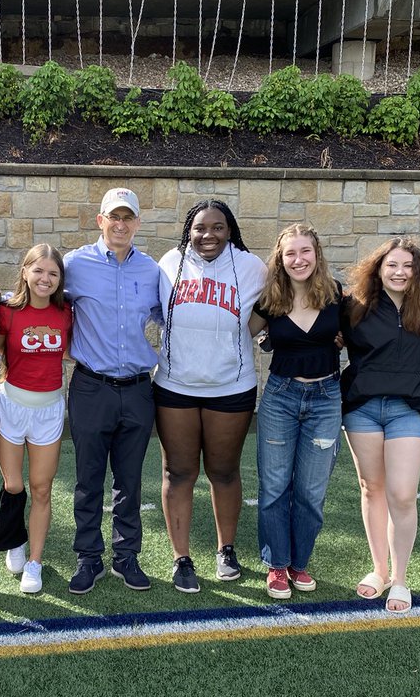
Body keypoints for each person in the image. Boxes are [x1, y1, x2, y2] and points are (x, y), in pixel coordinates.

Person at [154, 199, 267, 592]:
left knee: (224, 472)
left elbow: (276, 304)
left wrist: (251, 334)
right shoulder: (170, 262)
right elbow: (151, 311)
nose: (208, 235)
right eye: (200, 228)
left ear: (230, 230)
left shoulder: (251, 267)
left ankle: (226, 549)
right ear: (189, 230)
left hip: (231, 387)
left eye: (218, 227)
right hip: (175, 386)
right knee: (178, 473)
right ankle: (181, 557)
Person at [63, 187, 162, 594]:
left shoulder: (152, 271)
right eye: (114, 217)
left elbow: (171, 317)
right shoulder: (74, 265)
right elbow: (39, 296)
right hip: (91, 387)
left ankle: (126, 555)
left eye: (128, 217)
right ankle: (88, 557)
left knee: (130, 480)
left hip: (138, 389)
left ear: (137, 223)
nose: (121, 225)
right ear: (100, 220)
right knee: (88, 479)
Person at [340, 237, 420, 614]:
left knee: (402, 494)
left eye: (408, 266)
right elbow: (315, 325)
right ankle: (379, 571)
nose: (400, 272)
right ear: (378, 269)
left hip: (408, 409)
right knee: (372, 489)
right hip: (363, 408)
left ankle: (400, 579)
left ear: (418, 272)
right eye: (392, 265)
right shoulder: (354, 306)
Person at [248, 225, 342, 601]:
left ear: (316, 254)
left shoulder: (336, 295)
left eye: (305, 251)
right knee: (274, 486)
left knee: (311, 490)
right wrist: (266, 338)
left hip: (326, 399)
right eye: (290, 253)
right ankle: (277, 564)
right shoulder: (270, 298)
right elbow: (243, 332)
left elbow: (361, 337)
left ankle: (299, 563)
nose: (298, 260)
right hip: (280, 398)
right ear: (280, 258)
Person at [0, 244, 73, 595]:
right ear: (25, 272)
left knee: (41, 488)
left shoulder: (66, 312)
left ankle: (34, 562)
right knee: (13, 484)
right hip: (11, 405)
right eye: (38, 270)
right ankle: (15, 538)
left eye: (53, 273)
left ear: (60, 279)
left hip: (49, 409)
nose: (45, 279)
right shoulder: (7, 311)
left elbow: (70, 351)